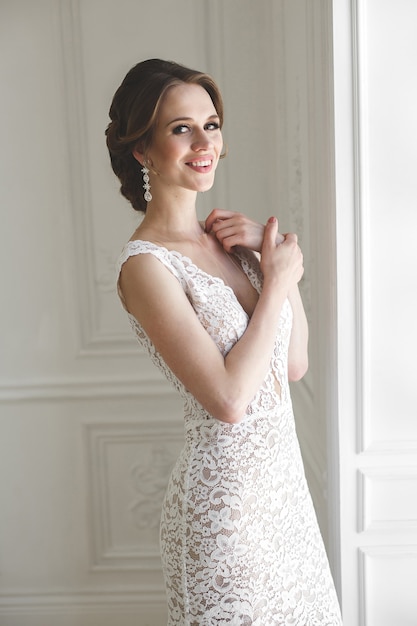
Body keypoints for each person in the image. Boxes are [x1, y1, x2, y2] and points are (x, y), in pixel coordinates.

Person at [106, 58, 342, 625]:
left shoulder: (230, 245)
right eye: (179, 128)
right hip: (225, 513)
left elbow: (293, 363)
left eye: (210, 124)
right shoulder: (146, 267)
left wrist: (268, 265)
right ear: (141, 149)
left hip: (285, 500)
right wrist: (281, 280)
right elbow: (229, 401)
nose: (202, 141)